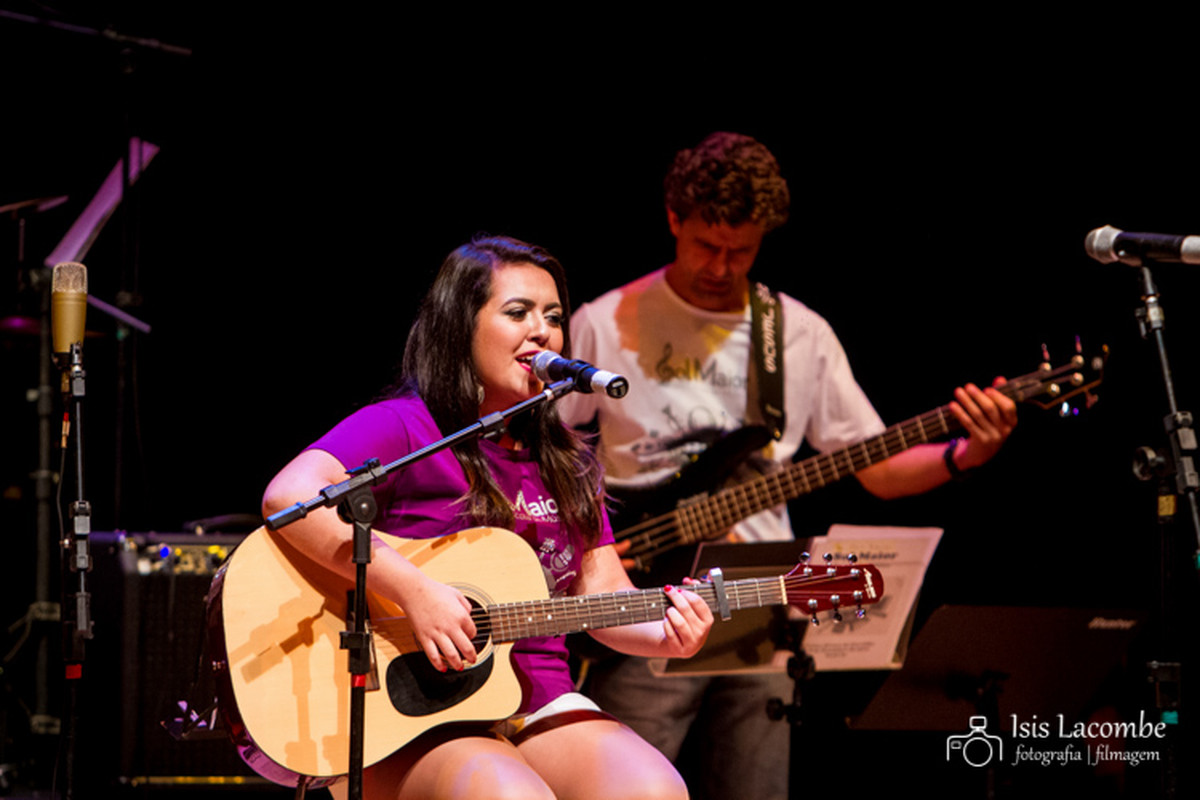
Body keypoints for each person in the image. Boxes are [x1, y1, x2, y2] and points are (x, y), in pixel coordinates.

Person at [557, 132, 1019, 800]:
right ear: (672, 219)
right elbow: (543, 452)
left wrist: (966, 453)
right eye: (705, 246)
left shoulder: (797, 334)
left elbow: (878, 469)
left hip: (759, 598)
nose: (721, 266)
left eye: (740, 251)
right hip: (645, 593)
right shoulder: (605, 322)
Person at [261, 235, 715, 800]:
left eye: (553, 316)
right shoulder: (404, 428)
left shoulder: (570, 462)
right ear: (461, 326)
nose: (543, 331)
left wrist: (668, 636)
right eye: (518, 312)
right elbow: (287, 498)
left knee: (655, 791)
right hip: (414, 702)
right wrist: (414, 590)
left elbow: (602, 599)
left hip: (537, 697)